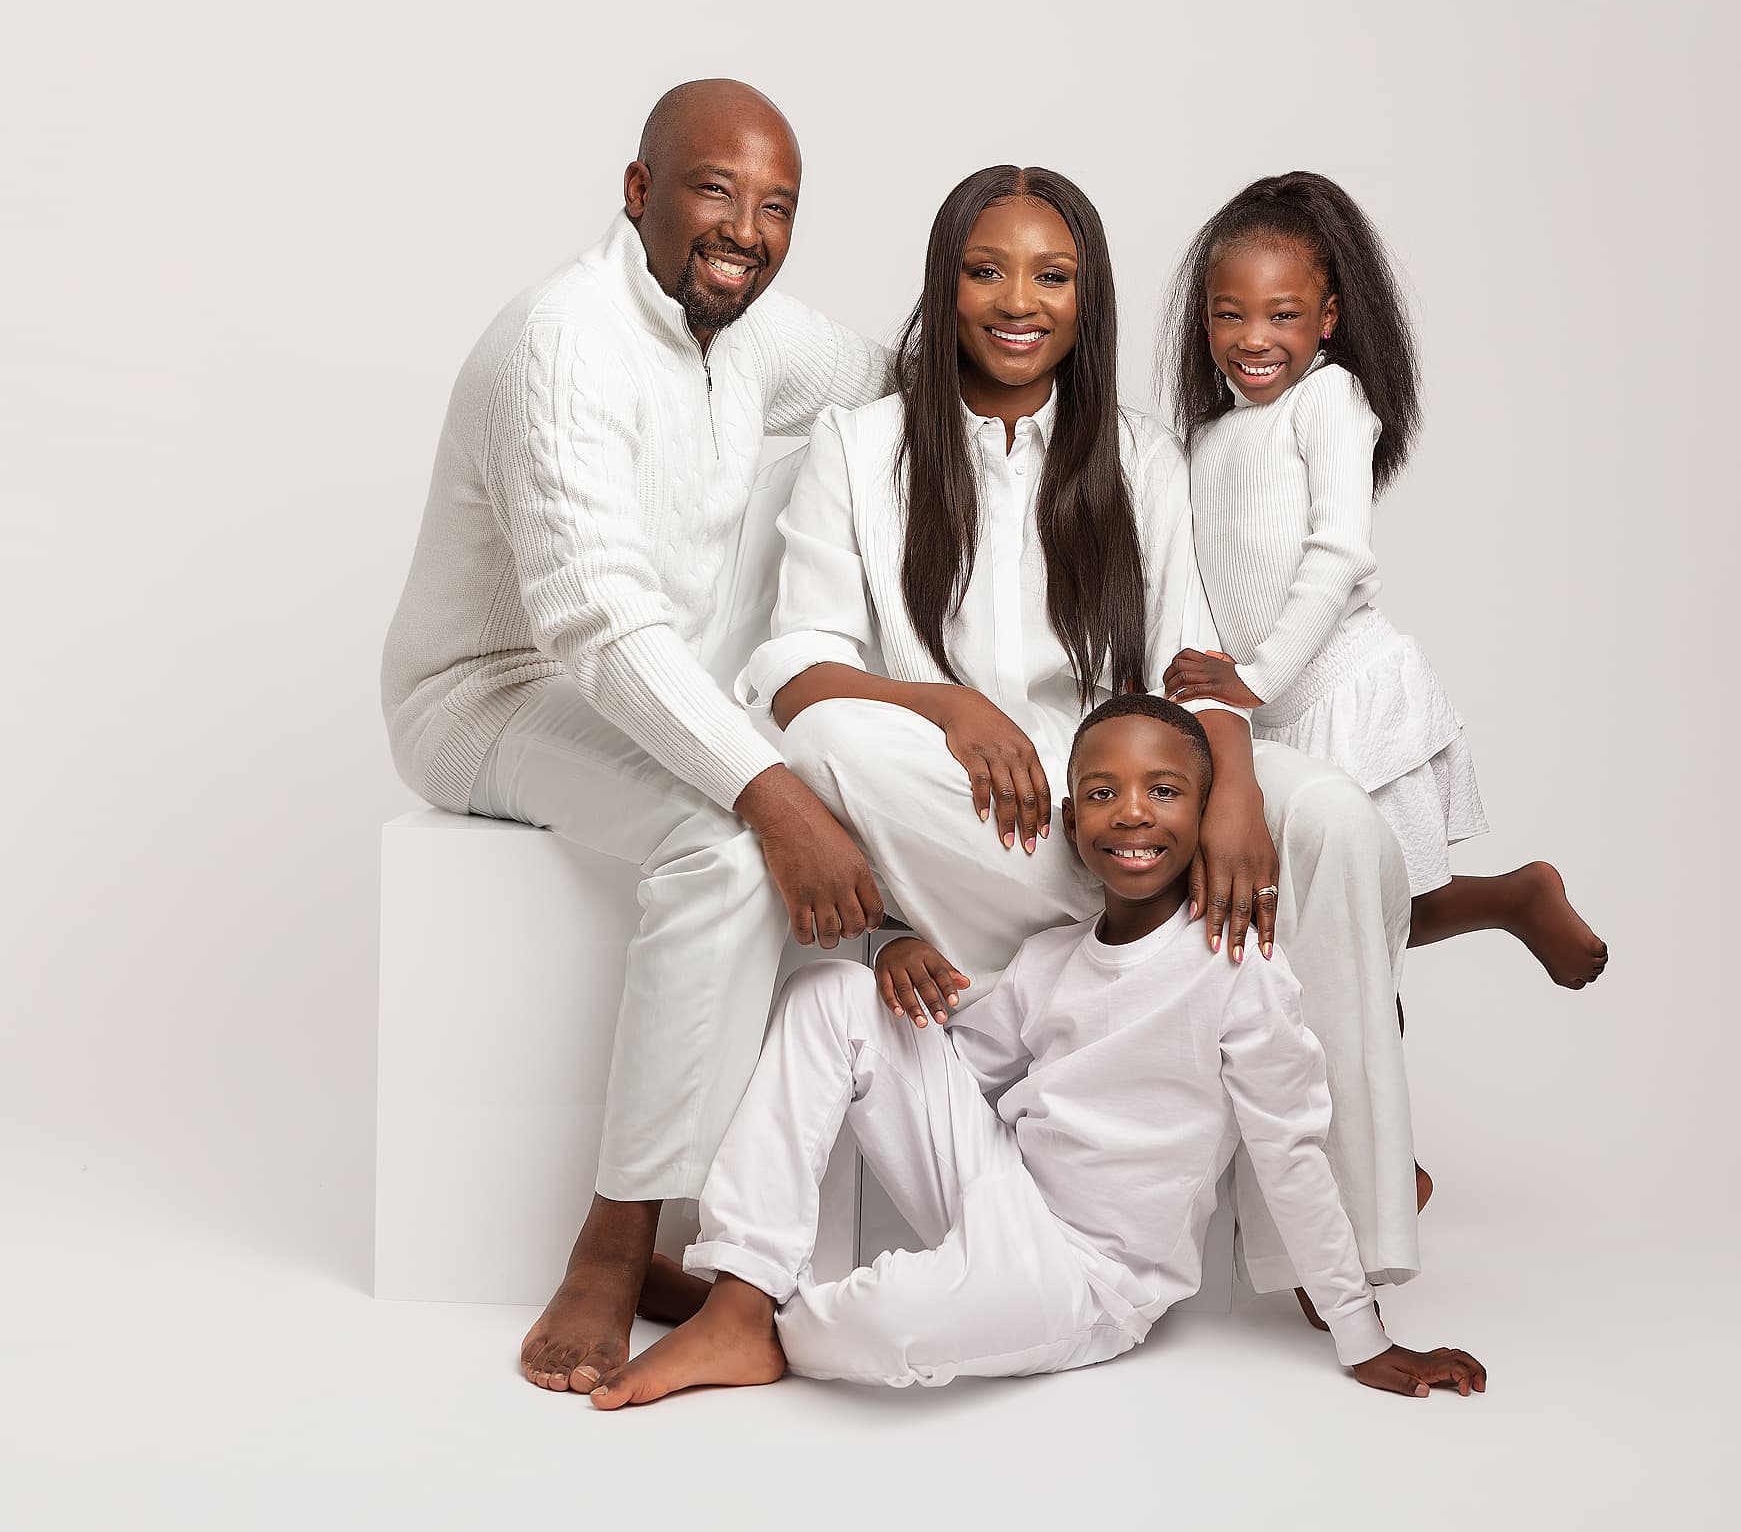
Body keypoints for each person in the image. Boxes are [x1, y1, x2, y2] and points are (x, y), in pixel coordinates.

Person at [737, 165, 1423, 1328]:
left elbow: (1187, 663)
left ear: (1085, 296)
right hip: (966, 799)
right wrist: (946, 708)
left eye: (1051, 276)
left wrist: (1231, 790)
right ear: (945, 286)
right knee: (834, 738)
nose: (1019, 301)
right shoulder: (860, 446)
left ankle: (1340, 1251)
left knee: (1333, 822)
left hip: (1130, 793)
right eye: (986, 271)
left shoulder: (1139, 454)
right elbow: (795, 668)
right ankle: (1103, 955)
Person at [380, 79, 893, 1396]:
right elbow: (598, 625)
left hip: (645, 674)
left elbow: (894, 378)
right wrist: (772, 790)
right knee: (725, 848)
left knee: (852, 452)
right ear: (638, 191)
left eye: (777, 206)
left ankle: (686, 1232)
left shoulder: (750, 328)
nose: (747, 230)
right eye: (716, 189)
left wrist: (1070, 405)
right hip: (485, 693)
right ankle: (616, 1243)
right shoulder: (562, 341)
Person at [589, 696, 1487, 1405]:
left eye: (1164, 791)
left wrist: (1363, 1337)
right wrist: (898, 953)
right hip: (1001, 1183)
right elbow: (954, 1069)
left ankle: (762, 1319)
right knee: (832, 992)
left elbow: (1292, 1155)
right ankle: (742, 1288)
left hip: (1087, 1279)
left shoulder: (1238, 966)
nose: (1131, 813)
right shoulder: (1050, 957)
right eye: (1102, 793)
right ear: (1070, 818)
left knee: (892, 1328)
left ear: (1206, 810)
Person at [1162, 171, 1609, 1024]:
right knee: (1308, 927)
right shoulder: (1207, 438)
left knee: (1374, 914)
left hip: (1342, 687)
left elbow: (1337, 551)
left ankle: (1515, 898)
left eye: (1283, 315)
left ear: (1327, 318)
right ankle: (1376, 1060)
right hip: (1267, 716)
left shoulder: (1328, 397)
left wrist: (1255, 676)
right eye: (1230, 314)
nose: (1254, 337)